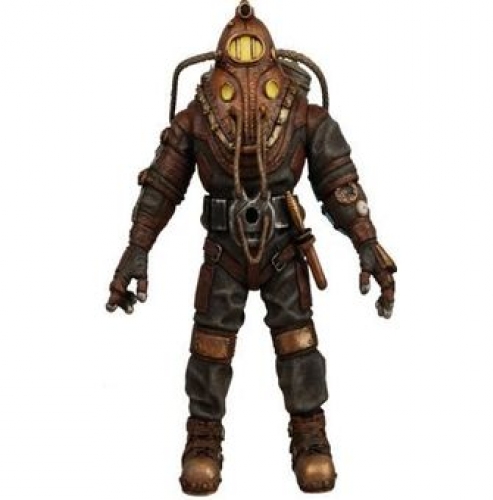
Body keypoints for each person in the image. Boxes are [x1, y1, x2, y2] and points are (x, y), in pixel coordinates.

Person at [106, 1, 397, 495]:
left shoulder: (304, 116)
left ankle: (310, 434)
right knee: (210, 346)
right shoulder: (195, 120)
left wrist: (367, 242)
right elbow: (160, 187)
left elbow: (339, 184)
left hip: (285, 247)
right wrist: (137, 248)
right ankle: (203, 438)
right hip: (224, 251)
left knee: (298, 341)